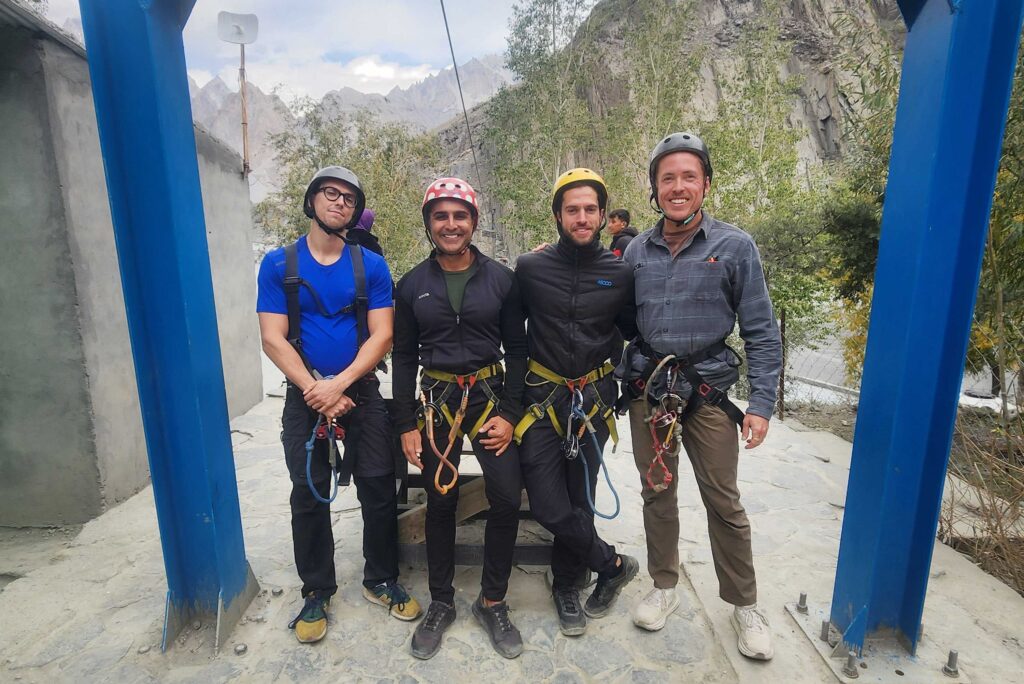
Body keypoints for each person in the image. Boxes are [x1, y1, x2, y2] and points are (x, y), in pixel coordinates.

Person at [618, 132, 782, 660]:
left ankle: (743, 603)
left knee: (723, 499)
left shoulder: (734, 246)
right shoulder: (635, 252)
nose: (679, 187)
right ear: (654, 189)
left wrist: (760, 404)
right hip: (651, 394)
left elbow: (760, 328)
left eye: (689, 176)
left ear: (706, 183)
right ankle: (664, 586)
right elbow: (612, 320)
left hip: (708, 396)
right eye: (668, 178)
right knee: (656, 494)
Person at [256, 166, 421, 644]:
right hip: (304, 394)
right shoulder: (278, 264)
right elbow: (272, 337)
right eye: (331, 194)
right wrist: (315, 389)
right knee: (308, 494)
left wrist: (342, 384)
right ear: (312, 201)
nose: (340, 203)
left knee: (377, 485)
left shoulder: (367, 265)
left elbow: (383, 333)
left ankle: (380, 578)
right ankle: (316, 588)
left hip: (361, 391)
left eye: (349, 198)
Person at [392, 177, 528, 660]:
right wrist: (406, 420)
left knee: (507, 496)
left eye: (460, 216)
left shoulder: (501, 280)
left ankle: (492, 600)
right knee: (441, 499)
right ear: (429, 224)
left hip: (489, 394)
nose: (451, 225)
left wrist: (511, 413)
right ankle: (442, 601)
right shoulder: (410, 285)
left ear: (474, 221)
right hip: (438, 401)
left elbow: (519, 350)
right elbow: (404, 357)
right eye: (441, 216)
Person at [514, 168, 640, 637]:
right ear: (557, 216)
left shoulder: (619, 272)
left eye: (590, 209)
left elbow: (629, 330)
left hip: (591, 402)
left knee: (579, 500)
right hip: (542, 401)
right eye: (573, 210)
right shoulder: (531, 269)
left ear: (603, 214)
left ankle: (567, 586)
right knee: (548, 504)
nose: (582, 218)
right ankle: (611, 563)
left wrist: (614, 384)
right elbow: (513, 336)